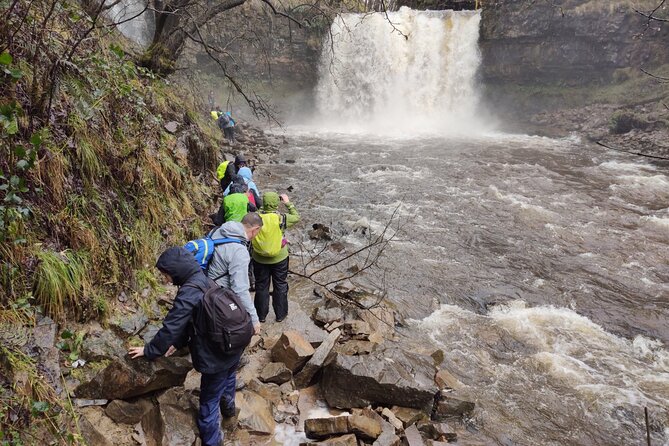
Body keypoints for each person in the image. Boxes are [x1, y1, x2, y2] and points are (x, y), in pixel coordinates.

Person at [128, 245, 257, 446]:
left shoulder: (188, 292)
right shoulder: (207, 280)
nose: (166, 280)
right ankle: (230, 411)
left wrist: (150, 350)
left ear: (177, 271)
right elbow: (196, 319)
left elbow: (171, 326)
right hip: (233, 345)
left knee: (208, 403)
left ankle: (213, 442)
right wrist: (179, 343)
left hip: (216, 356)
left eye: (166, 275)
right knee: (229, 378)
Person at [207, 213, 263, 332]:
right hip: (220, 297)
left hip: (206, 286)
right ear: (255, 229)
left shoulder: (218, 231)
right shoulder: (239, 251)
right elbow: (240, 289)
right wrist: (254, 319)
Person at [252, 192, 300, 323]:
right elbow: (296, 217)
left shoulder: (256, 217)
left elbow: (258, 211)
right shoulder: (282, 218)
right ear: (277, 204)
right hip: (279, 258)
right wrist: (288, 203)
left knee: (261, 286)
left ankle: (261, 316)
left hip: (259, 258)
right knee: (280, 285)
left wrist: (264, 208)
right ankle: (280, 314)